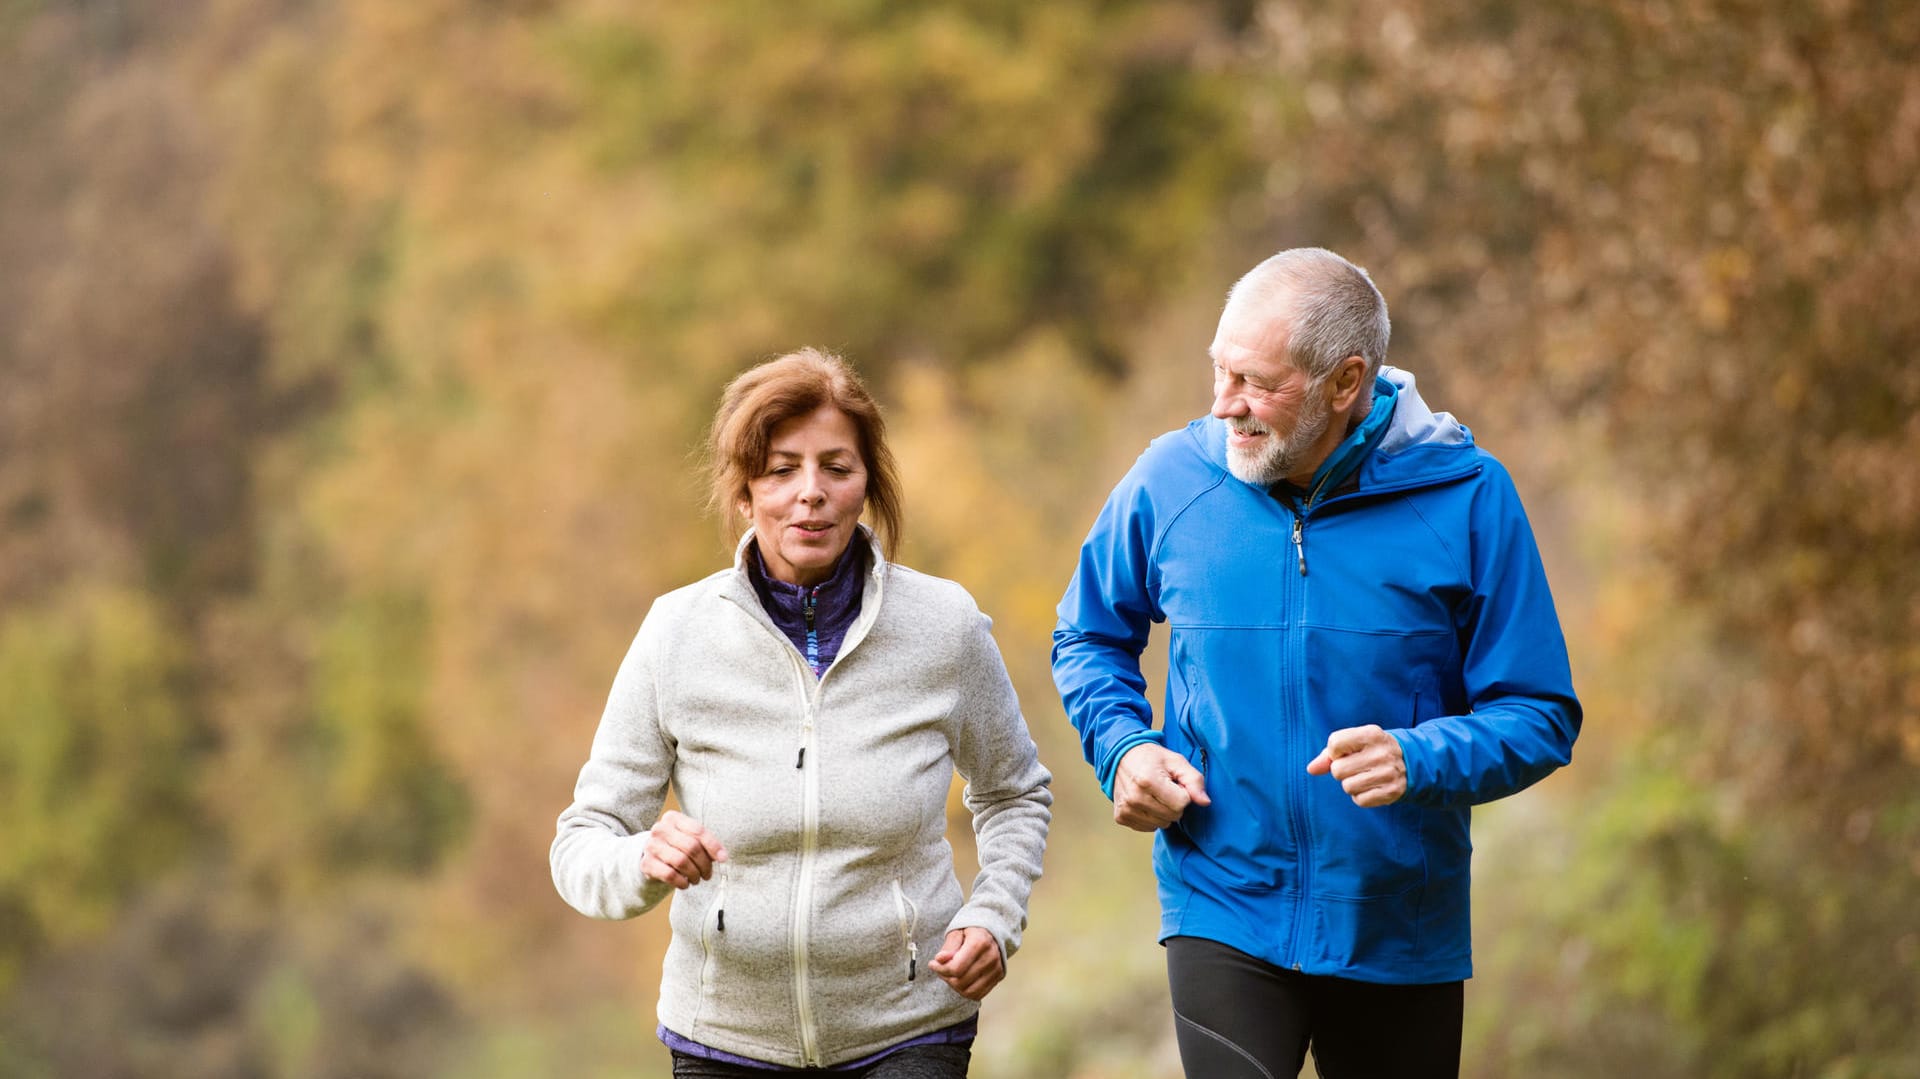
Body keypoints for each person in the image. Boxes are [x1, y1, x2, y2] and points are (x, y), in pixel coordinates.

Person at [1051, 248, 1581, 1078]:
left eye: (1256, 383)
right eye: (1219, 373)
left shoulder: (1470, 498)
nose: (1226, 405)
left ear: (1345, 382)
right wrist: (1123, 747)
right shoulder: (1171, 480)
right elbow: (1087, 635)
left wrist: (1419, 755)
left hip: (1399, 926)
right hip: (1223, 903)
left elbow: (1540, 712)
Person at [552, 348, 1052, 1078]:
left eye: (836, 468)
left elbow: (1015, 793)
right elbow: (582, 841)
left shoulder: (944, 626)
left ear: (866, 487)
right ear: (746, 492)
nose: (809, 492)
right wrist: (642, 859)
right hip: (724, 1036)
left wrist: (993, 914)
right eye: (782, 468)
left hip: (909, 1027)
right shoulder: (676, 633)